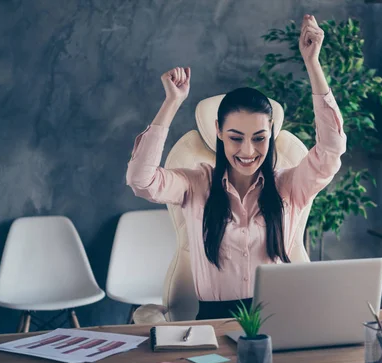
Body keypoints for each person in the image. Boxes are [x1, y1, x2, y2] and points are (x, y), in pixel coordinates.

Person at [126, 14, 346, 320]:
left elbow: (332, 149)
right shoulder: (195, 184)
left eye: (259, 138)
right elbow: (141, 180)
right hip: (214, 323)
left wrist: (312, 63)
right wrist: (171, 103)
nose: (247, 151)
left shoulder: (291, 186)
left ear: (271, 133)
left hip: (280, 319)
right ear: (218, 131)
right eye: (235, 138)